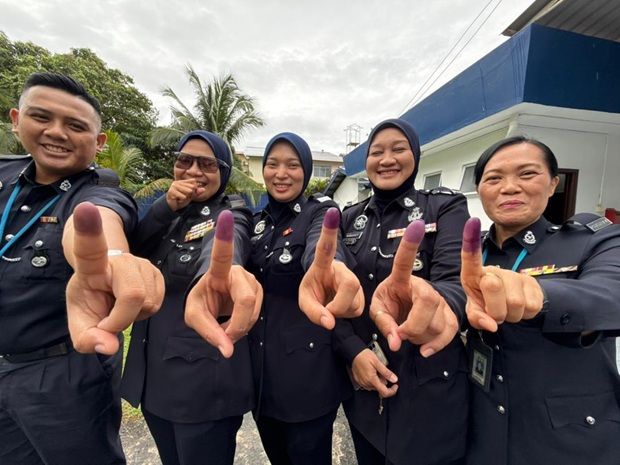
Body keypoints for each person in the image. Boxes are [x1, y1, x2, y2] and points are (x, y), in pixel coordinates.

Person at [0, 72, 164, 465]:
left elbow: (98, 221)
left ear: (98, 141)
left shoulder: (99, 190)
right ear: (16, 119)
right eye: (42, 117)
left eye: (75, 126)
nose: (57, 133)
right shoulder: (4, 175)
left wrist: (111, 259)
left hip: (62, 372)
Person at [460, 136, 620, 465]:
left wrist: (542, 296)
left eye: (527, 174)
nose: (509, 187)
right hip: (484, 437)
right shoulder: (471, 255)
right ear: (480, 190)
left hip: (570, 441)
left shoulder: (594, 240)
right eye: (494, 178)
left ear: (553, 184)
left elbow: (611, 295)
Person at [333, 118, 470, 465]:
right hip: (365, 378)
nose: (387, 159)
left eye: (398, 149)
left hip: (428, 382)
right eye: (376, 152)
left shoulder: (443, 208)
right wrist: (353, 353)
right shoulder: (348, 218)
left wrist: (439, 305)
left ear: (416, 155)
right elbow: (334, 296)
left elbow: (456, 282)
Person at [121, 130, 261, 465]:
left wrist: (217, 276)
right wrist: (165, 206)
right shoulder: (168, 213)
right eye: (185, 161)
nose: (194, 171)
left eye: (207, 164)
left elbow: (226, 246)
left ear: (223, 172)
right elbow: (134, 252)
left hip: (200, 384)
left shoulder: (231, 212)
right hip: (155, 378)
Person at [246, 132, 363, 465]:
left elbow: (323, 247)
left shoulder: (319, 212)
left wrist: (327, 267)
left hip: (306, 378)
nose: (281, 173)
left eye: (292, 165)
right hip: (262, 375)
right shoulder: (258, 222)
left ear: (306, 171)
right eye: (273, 164)